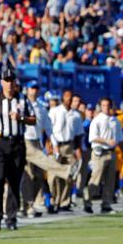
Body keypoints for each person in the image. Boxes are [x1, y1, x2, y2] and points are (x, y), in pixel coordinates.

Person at [0, 66, 36, 230]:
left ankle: (11, 218)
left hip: (17, 143)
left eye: (12, 80)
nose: (9, 84)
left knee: (14, 182)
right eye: (6, 81)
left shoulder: (23, 99)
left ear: (15, 82)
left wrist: (21, 118)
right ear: (2, 82)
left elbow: (33, 120)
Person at [22, 80, 80, 218]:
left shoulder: (41, 108)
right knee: (31, 172)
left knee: (37, 176)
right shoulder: (21, 104)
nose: (34, 91)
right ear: (27, 90)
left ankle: (28, 205)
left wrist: (53, 144)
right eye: (31, 88)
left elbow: (48, 128)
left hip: (37, 141)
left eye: (36, 88)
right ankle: (66, 171)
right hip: (24, 141)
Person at [85, 97, 123, 214]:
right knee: (96, 179)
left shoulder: (115, 121)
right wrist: (106, 141)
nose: (106, 108)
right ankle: (87, 201)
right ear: (100, 107)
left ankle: (106, 204)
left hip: (111, 152)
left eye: (108, 105)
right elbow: (92, 138)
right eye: (104, 105)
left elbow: (120, 138)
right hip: (99, 152)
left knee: (110, 180)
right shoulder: (97, 120)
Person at [48, 90, 80, 213]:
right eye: (67, 97)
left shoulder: (75, 115)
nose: (69, 100)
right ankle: (52, 200)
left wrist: (78, 150)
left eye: (71, 97)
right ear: (62, 98)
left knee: (69, 176)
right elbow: (49, 129)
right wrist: (53, 145)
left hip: (69, 145)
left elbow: (78, 134)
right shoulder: (55, 111)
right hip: (56, 144)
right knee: (53, 176)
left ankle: (64, 202)